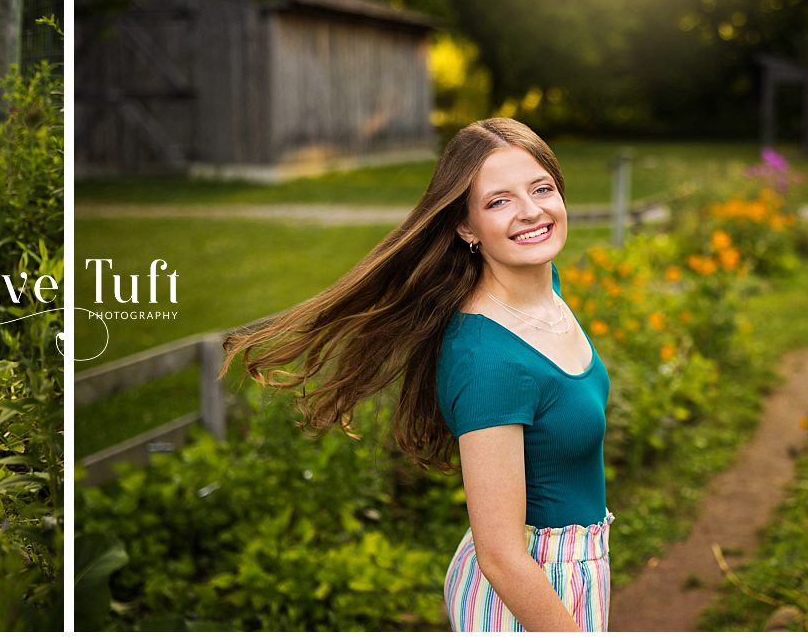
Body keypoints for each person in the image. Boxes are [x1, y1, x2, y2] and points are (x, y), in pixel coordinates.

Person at [221, 118, 611, 631]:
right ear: (466, 227)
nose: (531, 211)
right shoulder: (489, 359)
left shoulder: (541, 289)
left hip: (575, 569)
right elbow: (501, 558)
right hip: (531, 592)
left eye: (541, 188)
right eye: (499, 201)